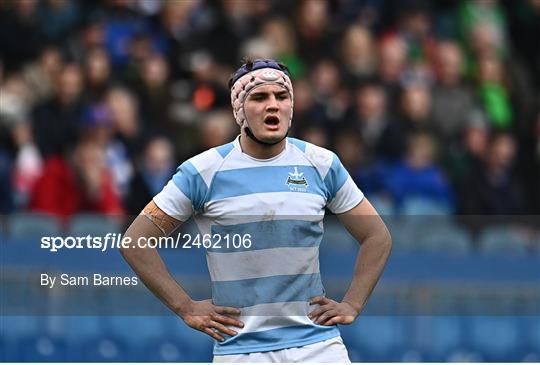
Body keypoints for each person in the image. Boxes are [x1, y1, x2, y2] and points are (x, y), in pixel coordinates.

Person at [120, 58, 392, 362]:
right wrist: (185, 306)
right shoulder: (201, 172)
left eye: (281, 96)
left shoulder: (322, 164)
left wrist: (352, 303)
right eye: (259, 97)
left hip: (318, 348)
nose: (272, 105)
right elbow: (135, 241)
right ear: (239, 111)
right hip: (240, 352)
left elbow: (376, 236)